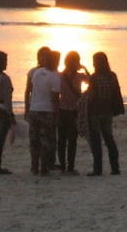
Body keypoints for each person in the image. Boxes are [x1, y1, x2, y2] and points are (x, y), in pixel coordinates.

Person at [85, 52, 125, 176]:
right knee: (109, 139)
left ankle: (98, 169)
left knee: (96, 141)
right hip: (108, 111)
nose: (93, 63)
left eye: (94, 61)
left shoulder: (94, 77)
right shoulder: (112, 76)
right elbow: (117, 93)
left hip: (96, 112)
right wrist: (118, 109)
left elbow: (91, 96)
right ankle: (115, 168)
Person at [25, 46, 60, 175]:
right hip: (46, 111)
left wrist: (28, 108)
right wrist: (56, 115)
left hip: (34, 109)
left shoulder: (37, 73)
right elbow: (55, 99)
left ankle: (34, 166)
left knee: (34, 140)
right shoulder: (55, 76)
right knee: (46, 140)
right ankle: (43, 167)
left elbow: (32, 91)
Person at [57, 51, 89, 174]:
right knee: (71, 140)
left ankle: (62, 166)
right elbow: (93, 81)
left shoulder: (59, 75)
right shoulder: (80, 76)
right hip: (74, 111)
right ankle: (70, 167)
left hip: (62, 110)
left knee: (61, 140)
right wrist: (85, 68)